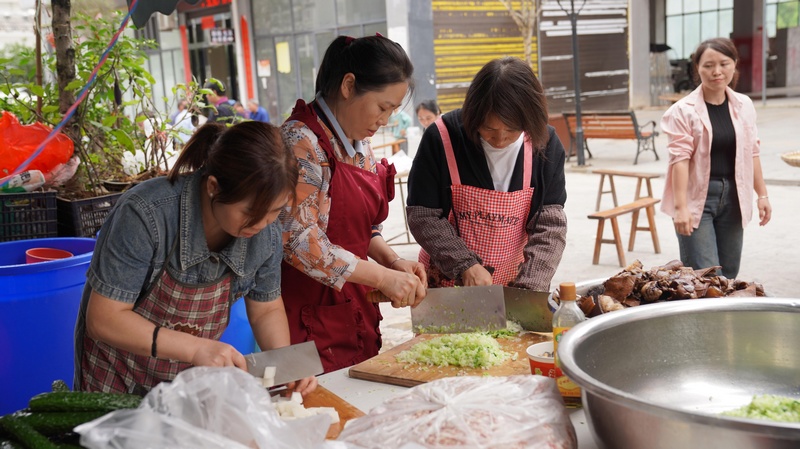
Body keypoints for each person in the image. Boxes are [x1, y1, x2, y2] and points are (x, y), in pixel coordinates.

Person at [74, 121, 317, 396]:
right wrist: (196, 347)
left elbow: (266, 310)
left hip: (183, 388)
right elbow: (104, 318)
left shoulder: (266, 235)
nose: (262, 223)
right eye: (251, 211)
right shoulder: (146, 213)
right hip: (115, 379)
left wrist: (285, 363)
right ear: (213, 186)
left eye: (274, 211)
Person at [279, 34, 426, 373]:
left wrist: (392, 263)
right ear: (348, 85)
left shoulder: (361, 145)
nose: (385, 120)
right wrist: (381, 278)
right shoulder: (301, 142)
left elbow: (364, 228)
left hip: (354, 303)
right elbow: (299, 240)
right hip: (307, 313)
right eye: (383, 107)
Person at [406, 57, 567, 291]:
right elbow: (423, 215)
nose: (500, 139)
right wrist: (464, 264)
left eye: (512, 130)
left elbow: (550, 226)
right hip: (446, 283)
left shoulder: (545, 143)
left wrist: (529, 287)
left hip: (515, 281)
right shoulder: (442, 138)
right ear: (473, 115)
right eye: (489, 129)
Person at [661, 37, 771, 279]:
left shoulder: (744, 105)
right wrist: (681, 207)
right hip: (697, 197)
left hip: (734, 195)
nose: (716, 71)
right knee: (705, 275)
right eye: (708, 65)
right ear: (697, 68)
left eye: (724, 63)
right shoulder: (682, 111)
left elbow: (752, 151)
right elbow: (679, 160)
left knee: (729, 274)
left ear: (734, 65)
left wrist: (762, 195)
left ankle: (725, 318)